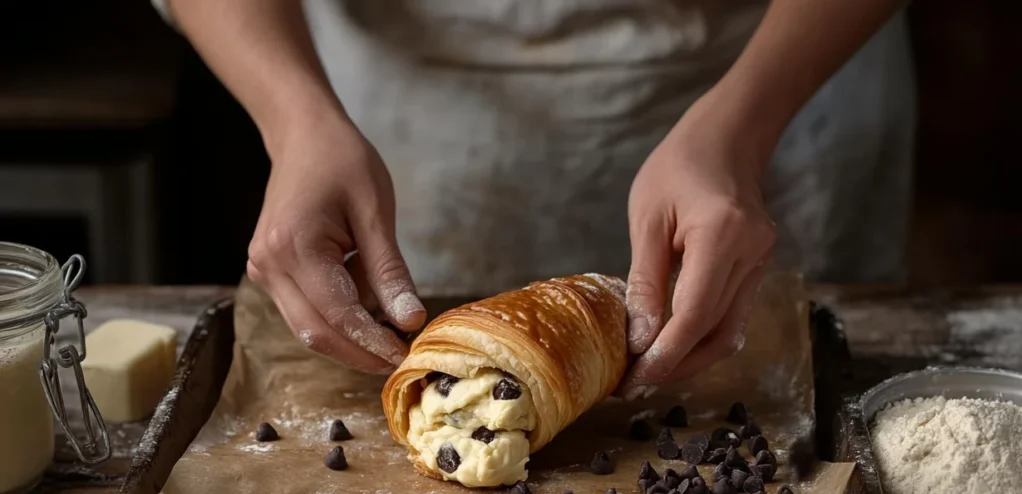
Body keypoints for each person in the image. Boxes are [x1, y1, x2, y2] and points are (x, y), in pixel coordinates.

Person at [154, 1, 915, 398]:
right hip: (396, 110)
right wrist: (295, 120)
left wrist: (745, 124)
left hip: (766, 75)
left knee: (770, 359)